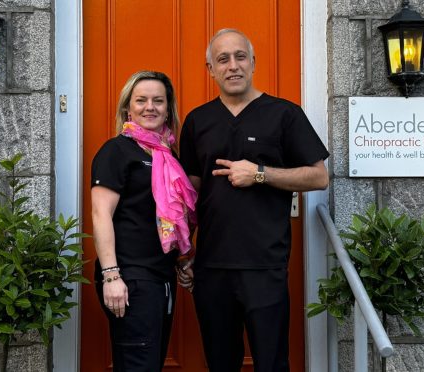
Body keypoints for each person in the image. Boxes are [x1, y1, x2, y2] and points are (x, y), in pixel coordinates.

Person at [178, 29, 330, 372]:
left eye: (240, 57)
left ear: (253, 63)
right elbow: (190, 193)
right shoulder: (197, 121)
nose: (233, 66)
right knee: (220, 363)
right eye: (223, 59)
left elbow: (318, 176)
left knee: (271, 363)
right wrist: (183, 251)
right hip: (211, 267)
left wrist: (260, 173)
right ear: (210, 70)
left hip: (265, 265)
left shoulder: (284, 115)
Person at [91, 70, 197, 372]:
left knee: (150, 363)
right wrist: (112, 276)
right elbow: (101, 215)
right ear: (128, 107)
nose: (150, 107)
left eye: (158, 101)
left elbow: (166, 219)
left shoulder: (168, 156)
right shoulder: (116, 151)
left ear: (167, 108)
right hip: (130, 278)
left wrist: (181, 259)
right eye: (141, 100)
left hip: (159, 277)